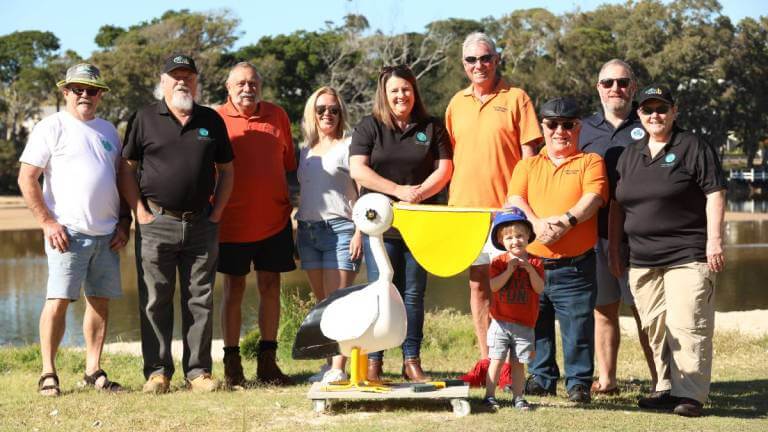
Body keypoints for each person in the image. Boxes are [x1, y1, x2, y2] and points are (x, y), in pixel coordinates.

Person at [119, 54, 234, 393]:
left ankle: (198, 372)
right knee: (155, 299)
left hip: (201, 223)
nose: (182, 81)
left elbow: (228, 171)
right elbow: (127, 168)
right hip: (157, 222)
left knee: (200, 299)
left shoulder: (211, 120)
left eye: (188, 76)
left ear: (197, 81)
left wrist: (217, 213)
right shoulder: (143, 118)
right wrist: (138, 211)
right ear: (163, 81)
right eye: (175, 76)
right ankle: (157, 372)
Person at [609, 85, 726, 417]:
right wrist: (615, 247)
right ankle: (665, 388)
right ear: (639, 115)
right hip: (642, 258)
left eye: (661, 108)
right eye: (647, 110)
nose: (654, 115)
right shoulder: (630, 154)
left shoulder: (692, 146)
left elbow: (715, 193)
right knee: (655, 326)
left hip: (686, 254)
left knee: (688, 323)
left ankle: (690, 394)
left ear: (675, 111)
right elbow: (617, 204)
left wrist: (714, 241)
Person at [18, 63, 130, 396]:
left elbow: (121, 181)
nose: (85, 95)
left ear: (100, 95)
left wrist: (125, 222)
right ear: (65, 91)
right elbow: (27, 178)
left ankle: (93, 370)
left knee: (99, 303)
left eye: (92, 90)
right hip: (66, 233)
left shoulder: (109, 131)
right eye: (77, 89)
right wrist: (48, 222)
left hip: (107, 235)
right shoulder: (51, 126)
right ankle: (48, 373)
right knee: (58, 301)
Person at [445, 32, 543, 387]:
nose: (478, 65)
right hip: (467, 214)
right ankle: (487, 359)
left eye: (484, 58)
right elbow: (451, 158)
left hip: (506, 214)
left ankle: (513, 365)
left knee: (515, 286)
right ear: (463, 65)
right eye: (471, 60)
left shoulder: (516, 98)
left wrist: (522, 207)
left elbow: (530, 158)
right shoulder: (456, 103)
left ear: (496, 59)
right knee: (478, 288)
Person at [350, 64, 453, 383]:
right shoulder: (370, 126)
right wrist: (398, 192)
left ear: (414, 92)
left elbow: (445, 169)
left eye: (406, 89)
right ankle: (375, 362)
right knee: (381, 291)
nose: (401, 95)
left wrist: (419, 194)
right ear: (384, 94)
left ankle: (411, 361)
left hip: (421, 224)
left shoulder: (432, 126)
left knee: (413, 294)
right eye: (394, 90)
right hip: (380, 227)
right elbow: (358, 170)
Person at [507, 97, 608, 403]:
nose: (559, 131)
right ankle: (542, 378)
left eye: (568, 125)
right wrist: (536, 224)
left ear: (578, 127)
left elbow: (594, 197)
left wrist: (566, 221)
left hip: (575, 266)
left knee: (577, 328)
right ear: (543, 127)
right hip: (533, 264)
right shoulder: (528, 164)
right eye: (552, 125)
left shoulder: (590, 161)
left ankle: (578, 383)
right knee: (536, 324)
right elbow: (515, 198)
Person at [215, 62, 297, 387]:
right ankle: (232, 366)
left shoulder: (278, 115)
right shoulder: (216, 119)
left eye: (253, 83)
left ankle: (268, 364)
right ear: (228, 87)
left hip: (274, 221)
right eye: (241, 83)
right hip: (231, 223)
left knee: (270, 287)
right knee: (233, 290)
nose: (247, 88)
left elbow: (288, 163)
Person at [579, 59, 656, 394]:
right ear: (598, 88)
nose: (615, 89)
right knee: (604, 309)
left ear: (633, 87)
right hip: (595, 233)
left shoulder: (651, 120)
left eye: (622, 83)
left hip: (641, 234)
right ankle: (607, 380)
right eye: (608, 83)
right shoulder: (582, 128)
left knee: (647, 312)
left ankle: (662, 382)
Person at [296, 86, 361, 384]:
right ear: (313, 112)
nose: (327, 114)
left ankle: (339, 367)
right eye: (321, 109)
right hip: (308, 231)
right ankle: (328, 364)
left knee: (340, 303)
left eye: (334, 110)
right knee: (322, 304)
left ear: (341, 114)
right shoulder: (304, 150)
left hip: (341, 230)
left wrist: (360, 231)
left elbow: (362, 192)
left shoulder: (350, 146)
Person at [483, 208, 544, 412]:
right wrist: (509, 270)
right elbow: (493, 286)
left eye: (519, 236)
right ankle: (489, 396)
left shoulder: (535, 261)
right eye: (509, 237)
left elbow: (540, 288)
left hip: (525, 323)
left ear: (528, 237)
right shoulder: (498, 262)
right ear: (501, 241)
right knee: (497, 360)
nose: (515, 241)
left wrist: (529, 269)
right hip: (500, 321)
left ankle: (519, 397)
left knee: (519, 363)